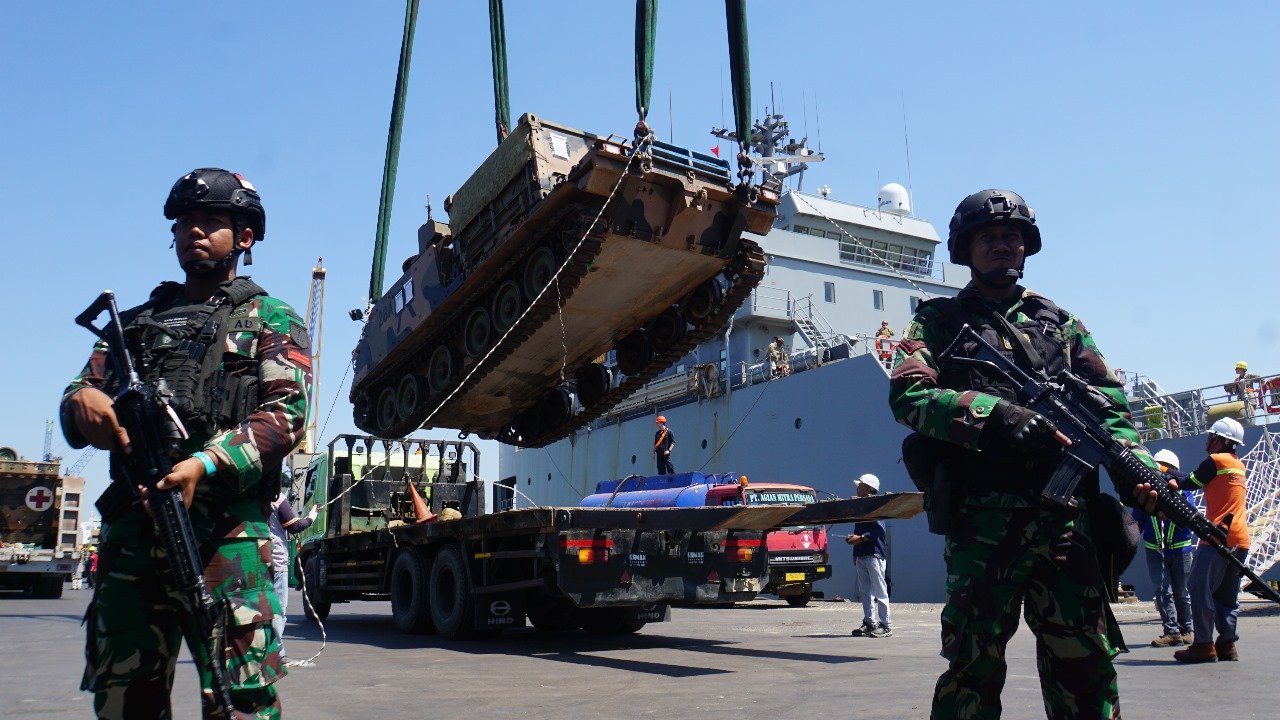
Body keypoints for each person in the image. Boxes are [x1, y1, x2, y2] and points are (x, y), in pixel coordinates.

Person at [890, 189, 1155, 719]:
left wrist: (1136, 472)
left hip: (1066, 524)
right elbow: (909, 395)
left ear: (1026, 246)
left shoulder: (1061, 324)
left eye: (1011, 236)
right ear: (966, 250)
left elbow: (1111, 408)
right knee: (972, 664)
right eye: (987, 237)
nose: (1001, 245)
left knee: (1086, 663)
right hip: (983, 523)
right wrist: (996, 416)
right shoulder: (938, 323)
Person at [60, 168, 311, 719]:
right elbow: (82, 392)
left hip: (227, 538)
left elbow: (286, 415)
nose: (194, 231)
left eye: (211, 222)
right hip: (134, 530)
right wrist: (80, 403)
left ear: (243, 237)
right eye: (184, 222)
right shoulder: (132, 327)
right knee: (125, 695)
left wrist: (205, 463)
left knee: (238, 701)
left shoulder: (269, 318)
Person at [1172, 417, 1251, 663]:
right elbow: (1201, 479)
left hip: (1217, 537)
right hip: (1241, 539)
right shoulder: (1238, 465)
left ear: (1222, 440)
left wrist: (1165, 474)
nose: (1208, 441)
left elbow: (1189, 482)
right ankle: (1227, 644)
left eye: (1211, 436)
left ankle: (1204, 644)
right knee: (1227, 595)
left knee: (1198, 588)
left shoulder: (1216, 461)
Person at [1132, 449, 1194, 646]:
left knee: (1182, 592)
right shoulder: (1145, 494)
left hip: (1181, 550)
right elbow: (1136, 522)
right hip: (1155, 550)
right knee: (1162, 590)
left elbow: (1189, 519)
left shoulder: (1184, 493)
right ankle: (1172, 631)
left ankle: (1187, 629)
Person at [268, 482, 318, 664]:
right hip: (277, 562)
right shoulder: (277, 499)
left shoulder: (252, 501)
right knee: (278, 611)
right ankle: (277, 654)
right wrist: (312, 517)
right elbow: (295, 526)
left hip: (257, 561)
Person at [847, 473, 891, 638]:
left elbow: (880, 530)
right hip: (862, 554)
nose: (857, 488)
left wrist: (860, 538)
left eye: (860, 486)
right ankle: (870, 622)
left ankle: (886, 625)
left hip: (874, 554)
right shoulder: (862, 506)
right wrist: (855, 544)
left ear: (869, 489)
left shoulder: (875, 506)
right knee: (866, 592)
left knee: (880, 591)